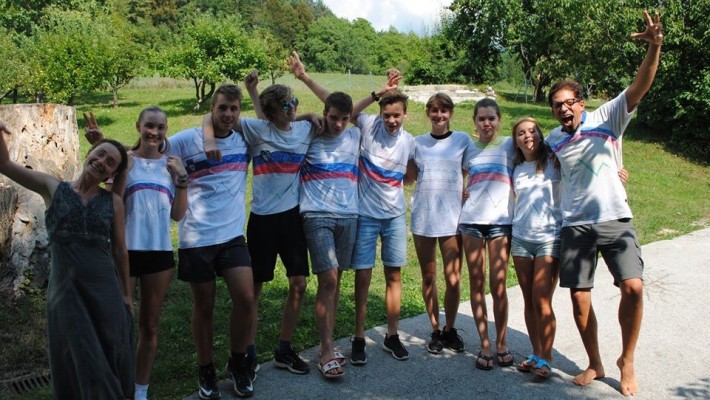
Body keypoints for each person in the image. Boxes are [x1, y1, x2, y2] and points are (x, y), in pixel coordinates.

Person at [544, 10, 663, 396]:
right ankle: (594, 362)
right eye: (557, 105)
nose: (564, 109)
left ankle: (626, 360)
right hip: (575, 225)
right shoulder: (552, 140)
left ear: (581, 102)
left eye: (569, 102)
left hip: (614, 218)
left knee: (633, 287)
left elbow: (639, 85)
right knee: (579, 298)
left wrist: (654, 47)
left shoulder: (607, 117)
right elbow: (533, 165)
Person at [289, 50, 413, 365]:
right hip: (333, 215)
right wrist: (305, 82)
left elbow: (342, 111)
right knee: (337, 279)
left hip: (359, 216)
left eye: (397, 115)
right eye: (387, 114)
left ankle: (362, 339)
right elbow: (336, 107)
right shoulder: (339, 129)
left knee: (344, 279)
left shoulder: (359, 132)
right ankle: (339, 344)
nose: (340, 122)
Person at [0, 121, 133, 399]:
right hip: (66, 294)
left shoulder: (114, 203)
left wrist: (126, 295)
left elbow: (120, 251)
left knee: (108, 357)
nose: (102, 162)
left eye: (110, 163)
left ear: (112, 174)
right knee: (73, 359)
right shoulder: (53, 187)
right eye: (99, 154)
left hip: (105, 293)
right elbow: (5, 165)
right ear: (89, 153)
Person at [203, 77, 318, 379]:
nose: (293, 108)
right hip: (262, 221)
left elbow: (338, 115)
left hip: (292, 219)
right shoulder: (256, 129)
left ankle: (284, 348)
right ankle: (249, 351)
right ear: (270, 113)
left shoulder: (304, 129)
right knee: (253, 290)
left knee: (299, 284)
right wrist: (209, 141)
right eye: (286, 105)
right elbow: (211, 116)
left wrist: (309, 114)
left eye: (294, 102)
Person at [84, 107, 189, 400]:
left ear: (166, 130)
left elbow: (178, 215)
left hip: (159, 255)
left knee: (149, 326)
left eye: (160, 127)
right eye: (149, 126)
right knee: (117, 325)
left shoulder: (172, 166)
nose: (154, 132)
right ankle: (114, 384)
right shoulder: (126, 161)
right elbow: (112, 203)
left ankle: (140, 390)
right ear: (138, 126)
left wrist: (182, 179)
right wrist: (119, 166)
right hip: (124, 253)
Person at [169, 84, 255, 399]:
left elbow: (275, 122)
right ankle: (205, 368)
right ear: (212, 109)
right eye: (222, 108)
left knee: (246, 299)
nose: (228, 114)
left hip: (232, 235)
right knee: (204, 306)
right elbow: (150, 148)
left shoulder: (245, 139)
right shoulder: (185, 140)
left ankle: (238, 363)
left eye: (234, 109)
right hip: (197, 236)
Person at [299, 92, 361, 378]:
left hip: (348, 215)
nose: (338, 124)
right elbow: (278, 124)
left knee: (336, 283)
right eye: (333, 117)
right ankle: (325, 351)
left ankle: (329, 343)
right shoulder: (309, 134)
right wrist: (305, 115)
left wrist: (377, 95)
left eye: (344, 119)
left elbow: (360, 112)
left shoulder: (354, 135)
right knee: (328, 280)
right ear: (324, 113)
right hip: (316, 214)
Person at [405, 93, 471, 354]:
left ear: (450, 113)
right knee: (429, 276)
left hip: (452, 219)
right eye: (434, 110)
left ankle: (450, 328)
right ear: (428, 113)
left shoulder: (462, 140)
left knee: (453, 278)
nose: (439, 115)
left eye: (443, 110)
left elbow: (468, 170)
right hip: (424, 218)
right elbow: (410, 177)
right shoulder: (417, 143)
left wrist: (465, 189)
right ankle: (435, 329)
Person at [459, 98, 515, 370]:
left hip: (501, 222)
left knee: (499, 284)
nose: (486, 123)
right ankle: (484, 344)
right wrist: (460, 188)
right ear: (475, 121)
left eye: (491, 118)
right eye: (481, 118)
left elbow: (539, 156)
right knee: (477, 283)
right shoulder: (468, 148)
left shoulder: (509, 145)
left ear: (499, 119)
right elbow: (457, 175)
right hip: (471, 221)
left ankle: (501, 342)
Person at [509, 117, 561, 379]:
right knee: (528, 299)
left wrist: (616, 173)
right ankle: (536, 352)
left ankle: (547, 357)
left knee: (541, 299)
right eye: (521, 133)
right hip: (520, 238)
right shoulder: (516, 168)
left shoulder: (554, 161)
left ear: (540, 135)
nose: (527, 136)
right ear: (516, 141)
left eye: (532, 131)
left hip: (549, 238)